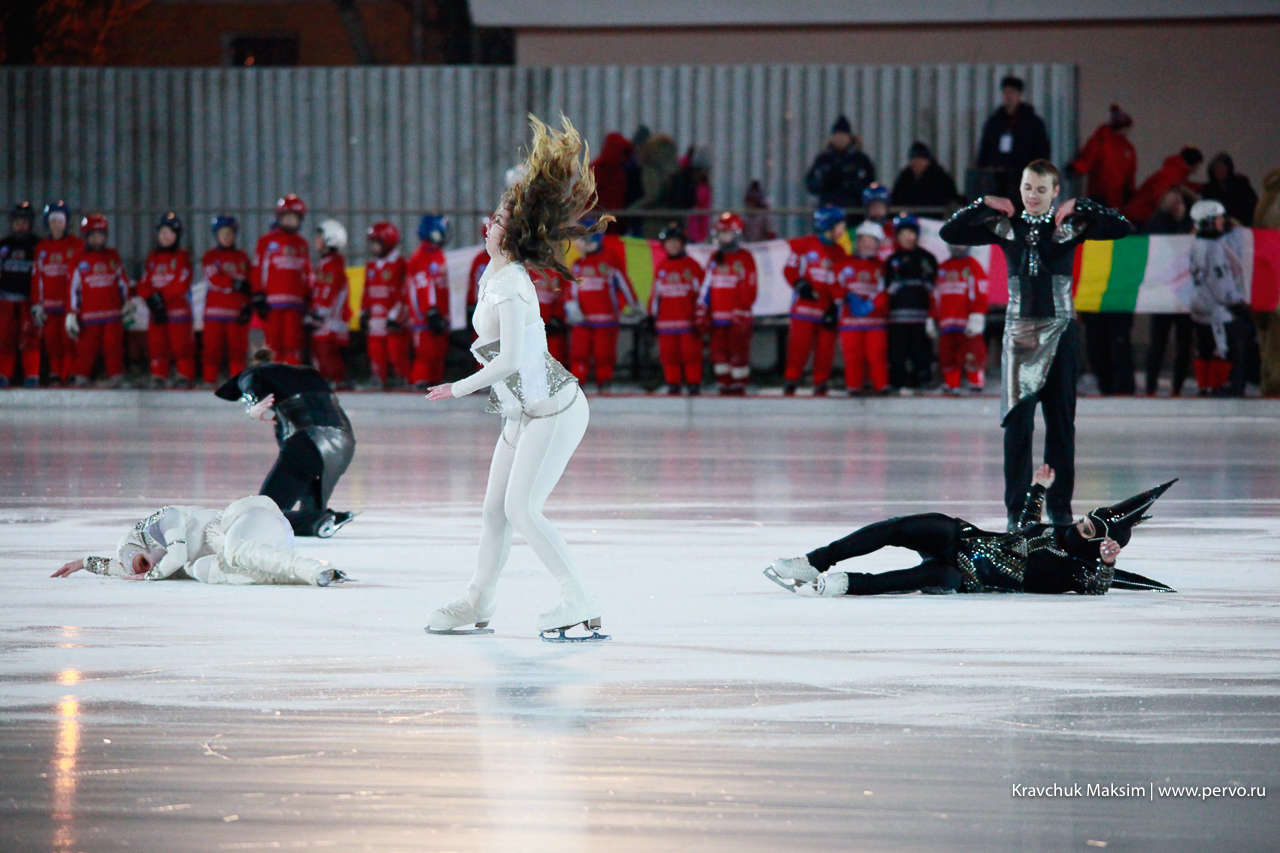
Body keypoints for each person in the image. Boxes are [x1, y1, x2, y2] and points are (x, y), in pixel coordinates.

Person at [423, 115, 605, 642]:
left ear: (513, 233)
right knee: (493, 511)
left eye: (498, 217)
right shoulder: (495, 272)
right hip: (520, 411)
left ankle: (581, 599)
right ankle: (477, 600)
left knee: (522, 509)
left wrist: (454, 388)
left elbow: (507, 362)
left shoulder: (512, 287)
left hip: (555, 410)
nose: (488, 220)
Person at [940, 160, 1132, 527]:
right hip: (1019, 334)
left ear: (1055, 192)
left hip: (1061, 331)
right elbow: (952, 232)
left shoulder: (1070, 225)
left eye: (1041, 190)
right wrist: (983, 203)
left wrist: (1085, 206)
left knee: (1060, 424)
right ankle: (1017, 511)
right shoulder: (1006, 225)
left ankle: (1059, 508)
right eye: (1028, 188)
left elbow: (1120, 228)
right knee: (1018, 426)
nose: (1032, 196)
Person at [766, 465, 1175, 598]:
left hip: (964, 577)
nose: (1075, 524)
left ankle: (843, 584)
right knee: (895, 528)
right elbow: (1024, 524)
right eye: (1082, 518)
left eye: (1084, 528)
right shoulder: (1053, 532)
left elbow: (1097, 587)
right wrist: (1038, 488)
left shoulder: (1073, 571)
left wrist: (1105, 567)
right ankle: (812, 562)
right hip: (959, 537)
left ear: (1096, 545)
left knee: (915, 578)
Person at [51, 496, 346, 586]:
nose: (144, 570)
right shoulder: (148, 555)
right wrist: (84, 563)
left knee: (233, 550)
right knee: (202, 570)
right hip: (245, 553)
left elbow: (174, 559)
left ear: (141, 546)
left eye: (142, 564)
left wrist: (150, 575)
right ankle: (300, 577)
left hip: (253, 522)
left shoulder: (166, 520)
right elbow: (123, 568)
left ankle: (315, 568)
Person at [215, 349, 356, 538]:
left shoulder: (253, 373)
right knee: (307, 495)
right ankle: (320, 517)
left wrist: (253, 407)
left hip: (309, 441)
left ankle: (316, 520)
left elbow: (251, 388)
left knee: (262, 514)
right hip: (344, 441)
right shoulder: (307, 373)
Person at [567, 223, 638, 392]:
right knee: (579, 353)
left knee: (604, 354)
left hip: (606, 319)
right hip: (582, 321)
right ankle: (578, 383)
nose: (578, 244)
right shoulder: (577, 265)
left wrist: (634, 305)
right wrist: (571, 307)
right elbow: (570, 291)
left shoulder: (609, 260)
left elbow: (624, 284)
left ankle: (604, 383)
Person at [782, 206, 845, 396]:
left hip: (826, 309)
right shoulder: (805, 245)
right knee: (798, 347)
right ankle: (791, 379)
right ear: (827, 226)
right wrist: (800, 284)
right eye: (839, 227)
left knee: (825, 350)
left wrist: (836, 306)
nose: (842, 231)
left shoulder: (840, 252)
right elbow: (790, 268)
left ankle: (821, 382)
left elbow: (841, 281)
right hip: (804, 309)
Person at [1188, 200, 1248, 396]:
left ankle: (1205, 385)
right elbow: (1220, 282)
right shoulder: (1212, 248)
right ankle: (1219, 386)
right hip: (1216, 310)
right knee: (1222, 350)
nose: (1223, 222)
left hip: (1201, 306)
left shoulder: (1199, 243)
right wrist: (1236, 302)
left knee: (1205, 349)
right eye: (1219, 219)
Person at [66, 213, 131, 387]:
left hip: (112, 314)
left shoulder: (112, 256)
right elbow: (73, 288)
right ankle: (81, 376)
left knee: (114, 347)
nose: (97, 239)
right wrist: (72, 313)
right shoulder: (79, 259)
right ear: (86, 237)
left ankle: (116, 376)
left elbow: (123, 281)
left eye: (101, 235)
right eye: (93, 235)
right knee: (86, 348)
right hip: (89, 316)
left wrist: (127, 303)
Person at [1143, 189, 1195, 396]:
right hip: (1162, 293)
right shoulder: (1157, 223)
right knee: (1158, 342)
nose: (1176, 205)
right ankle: (1151, 385)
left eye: (1180, 200)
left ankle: (1177, 386)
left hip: (1184, 293)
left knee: (1184, 343)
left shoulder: (1191, 225)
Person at [701, 212, 758, 395]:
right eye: (721, 234)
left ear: (737, 234)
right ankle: (723, 383)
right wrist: (703, 310)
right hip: (717, 318)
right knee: (718, 353)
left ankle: (739, 384)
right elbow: (706, 287)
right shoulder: (714, 259)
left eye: (727, 233)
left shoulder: (745, 258)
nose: (724, 238)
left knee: (738, 352)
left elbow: (750, 285)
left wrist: (742, 309)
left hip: (738, 318)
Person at [137, 212, 196, 388]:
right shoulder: (153, 258)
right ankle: (158, 375)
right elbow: (144, 282)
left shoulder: (182, 257)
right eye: (162, 232)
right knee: (157, 345)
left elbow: (182, 282)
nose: (165, 236)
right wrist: (150, 299)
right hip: (157, 312)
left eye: (170, 233)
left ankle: (184, 375)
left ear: (177, 236)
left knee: (181, 346)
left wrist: (161, 297)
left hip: (177, 312)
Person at [253, 194, 312, 365]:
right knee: (274, 343)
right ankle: (276, 378)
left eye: (294, 218)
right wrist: (257, 294)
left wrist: (308, 296)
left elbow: (307, 272)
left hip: (295, 304)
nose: (290, 222)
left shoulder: (302, 244)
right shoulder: (267, 242)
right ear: (279, 217)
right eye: (286, 217)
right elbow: (258, 269)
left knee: (293, 343)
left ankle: (293, 379)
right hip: (272, 303)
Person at [833, 221, 889, 395]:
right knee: (852, 356)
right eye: (863, 240)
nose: (866, 244)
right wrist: (846, 296)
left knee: (876, 355)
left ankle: (881, 386)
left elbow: (886, 291)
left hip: (875, 321)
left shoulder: (882, 267)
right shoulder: (843, 263)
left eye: (871, 240)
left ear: (878, 244)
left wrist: (872, 304)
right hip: (850, 321)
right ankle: (853, 386)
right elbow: (834, 285)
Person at [31, 201, 83, 385]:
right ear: (47, 223)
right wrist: (37, 303)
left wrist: (78, 304)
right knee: (52, 341)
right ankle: (55, 373)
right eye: (53, 221)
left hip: (69, 304)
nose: (56, 225)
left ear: (66, 223)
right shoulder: (42, 247)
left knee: (69, 339)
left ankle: (69, 372)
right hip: (50, 305)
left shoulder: (76, 245)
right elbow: (37, 277)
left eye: (60, 221)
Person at [649, 222, 704, 395]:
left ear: (682, 243)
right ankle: (673, 384)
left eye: (676, 241)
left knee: (690, 355)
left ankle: (694, 385)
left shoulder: (692, 266)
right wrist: (652, 316)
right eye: (668, 242)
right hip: (665, 323)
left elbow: (701, 294)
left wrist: (700, 317)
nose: (672, 245)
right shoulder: (662, 268)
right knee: (668, 355)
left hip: (688, 322)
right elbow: (656, 295)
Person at [884, 214, 938, 393]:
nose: (907, 237)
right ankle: (897, 379)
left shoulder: (927, 259)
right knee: (897, 350)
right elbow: (886, 287)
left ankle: (922, 378)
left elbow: (933, 286)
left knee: (920, 349)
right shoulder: (892, 260)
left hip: (920, 316)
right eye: (903, 233)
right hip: (897, 316)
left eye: (911, 233)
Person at [976, 77, 1051, 200]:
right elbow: (985, 148)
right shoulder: (994, 122)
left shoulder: (1032, 122)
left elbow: (1042, 150)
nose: (1008, 96)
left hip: (1022, 177)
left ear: (1019, 95)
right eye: (1005, 92)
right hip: (997, 179)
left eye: (1012, 92)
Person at [200, 215, 253, 385]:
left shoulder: (242, 258)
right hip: (214, 312)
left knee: (238, 349)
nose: (226, 237)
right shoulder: (210, 256)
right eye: (222, 233)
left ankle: (238, 381)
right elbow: (214, 278)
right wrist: (234, 283)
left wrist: (248, 306)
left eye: (229, 233)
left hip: (236, 312)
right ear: (216, 235)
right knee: (212, 348)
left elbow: (250, 283)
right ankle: (209, 379)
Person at [933, 244, 989, 393]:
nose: (958, 246)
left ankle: (976, 382)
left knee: (973, 352)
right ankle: (952, 383)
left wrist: (978, 314)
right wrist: (932, 317)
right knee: (947, 353)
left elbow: (981, 289)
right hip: (946, 321)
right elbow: (935, 294)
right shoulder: (943, 267)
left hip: (968, 321)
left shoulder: (973, 265)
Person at [361, 221, 411, 388]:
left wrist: (396, 316)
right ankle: (378, 378)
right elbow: (367, 291)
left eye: (377, 243)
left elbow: (403, 292)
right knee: (375, 350)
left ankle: (402, 378)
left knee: (395, 351)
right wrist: (364, 312)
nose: (374, 247)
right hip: (375, 318)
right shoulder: (372, 266)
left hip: (392, 320)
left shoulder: (399, 264)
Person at [406, 215, 451, 389]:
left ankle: (434, 389)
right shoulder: (421, 256)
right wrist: (431, 311)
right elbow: (424, 285)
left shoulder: (438, 254)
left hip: (439, 317)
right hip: (425, 320)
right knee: (425, 356)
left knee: (438, 358)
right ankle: (419, 389)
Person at [0, 201, 40, 387]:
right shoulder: (4, 245)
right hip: (5, 301)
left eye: (24, 221)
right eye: (17, 221)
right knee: (4, 339)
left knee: (29, 339)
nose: (20, 225)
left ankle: (31, 375)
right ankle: (3, 375)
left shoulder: (38, 246)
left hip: (28, 302)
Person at [307, 219, 351, 387]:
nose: (316, 241)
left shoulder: (332, 266)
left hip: (331, 320)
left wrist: (319, 313)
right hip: (325, 319)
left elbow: (329, 292)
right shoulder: (326, 265)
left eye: (320, 237)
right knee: (320, 351)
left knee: (327, 351)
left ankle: (338, 380)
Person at [1069, 104, 1137, 210]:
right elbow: (1088, 160)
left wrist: (1075, 167)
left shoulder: (1109, 142)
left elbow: (1087, 160)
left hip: (1112, 194)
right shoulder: (1106, 142)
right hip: (1102, 194)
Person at [805, 116, 876, 209]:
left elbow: (870, 185)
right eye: (837, 135)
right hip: (829, 210)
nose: (840, 139)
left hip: (854, 211)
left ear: (850, 137)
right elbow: (811, 184)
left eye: (843, 135)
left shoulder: (860, 159)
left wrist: (852, 185)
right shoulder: (823, 159)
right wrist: (826, 183)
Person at [1123, 147, 1203, 227]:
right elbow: (1159, 195)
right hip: (1141, 218)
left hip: (1139, 216)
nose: (1196, 171)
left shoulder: (1174, 172)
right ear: (1195, 164)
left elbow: (1187, 185)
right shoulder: (1173, 173)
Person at [1255, 168, 1280, 398]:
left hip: (1271, 275)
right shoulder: (1271, 196)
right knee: (1272, 334)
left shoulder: (1268, 197)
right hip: (1272, 276)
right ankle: (1273, 380)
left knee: (1271, 336)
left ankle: (1272, 380)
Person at [890, 141, 960, 210]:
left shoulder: (941, 179)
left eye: (920, 159)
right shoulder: (904, 178)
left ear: (928, 161)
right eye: (914, 159)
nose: (916, 163)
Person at [1200, 152, 1258, 227]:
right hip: (1217, 227)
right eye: (1217, 169)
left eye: (1223, 168)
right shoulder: (1209, 189)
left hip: (1240, 225)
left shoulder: (1240, 184)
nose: (1220, 172)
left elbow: (1252, 204)